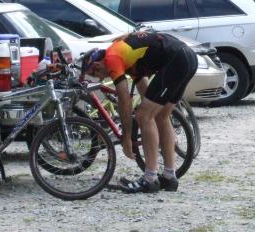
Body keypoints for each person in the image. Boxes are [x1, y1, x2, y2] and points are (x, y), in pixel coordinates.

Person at [81, 31, 198, 193]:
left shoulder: (112, 58)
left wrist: (127, 138)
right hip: (188, 58)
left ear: (97, 65)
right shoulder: (126, 57)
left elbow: (124, 98)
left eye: (95, 74)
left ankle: (150, 179)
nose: (98, 79)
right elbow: (145, 91)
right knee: (160, 115)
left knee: (144, 115)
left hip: (177, 59)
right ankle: (169, 177)